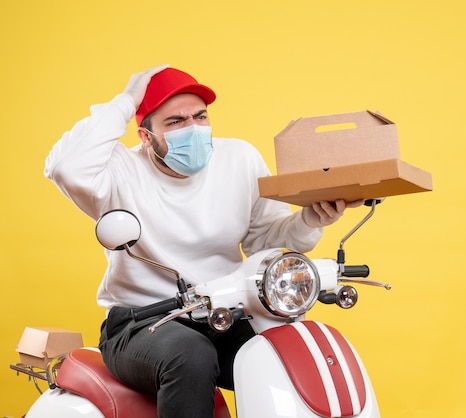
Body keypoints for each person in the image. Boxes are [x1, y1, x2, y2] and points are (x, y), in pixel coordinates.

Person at [44, 65, 361, 418]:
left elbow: (265, 241)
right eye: (175, 122)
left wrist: (311, 219)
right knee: (190, 354)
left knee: (288, 350)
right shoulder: (118, 170)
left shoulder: (239, 158)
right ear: (146, 136)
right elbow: (64, 167)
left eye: (200, 116)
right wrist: (126, 100)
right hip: (142, 325)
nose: (193, 129)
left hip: (225, 313)